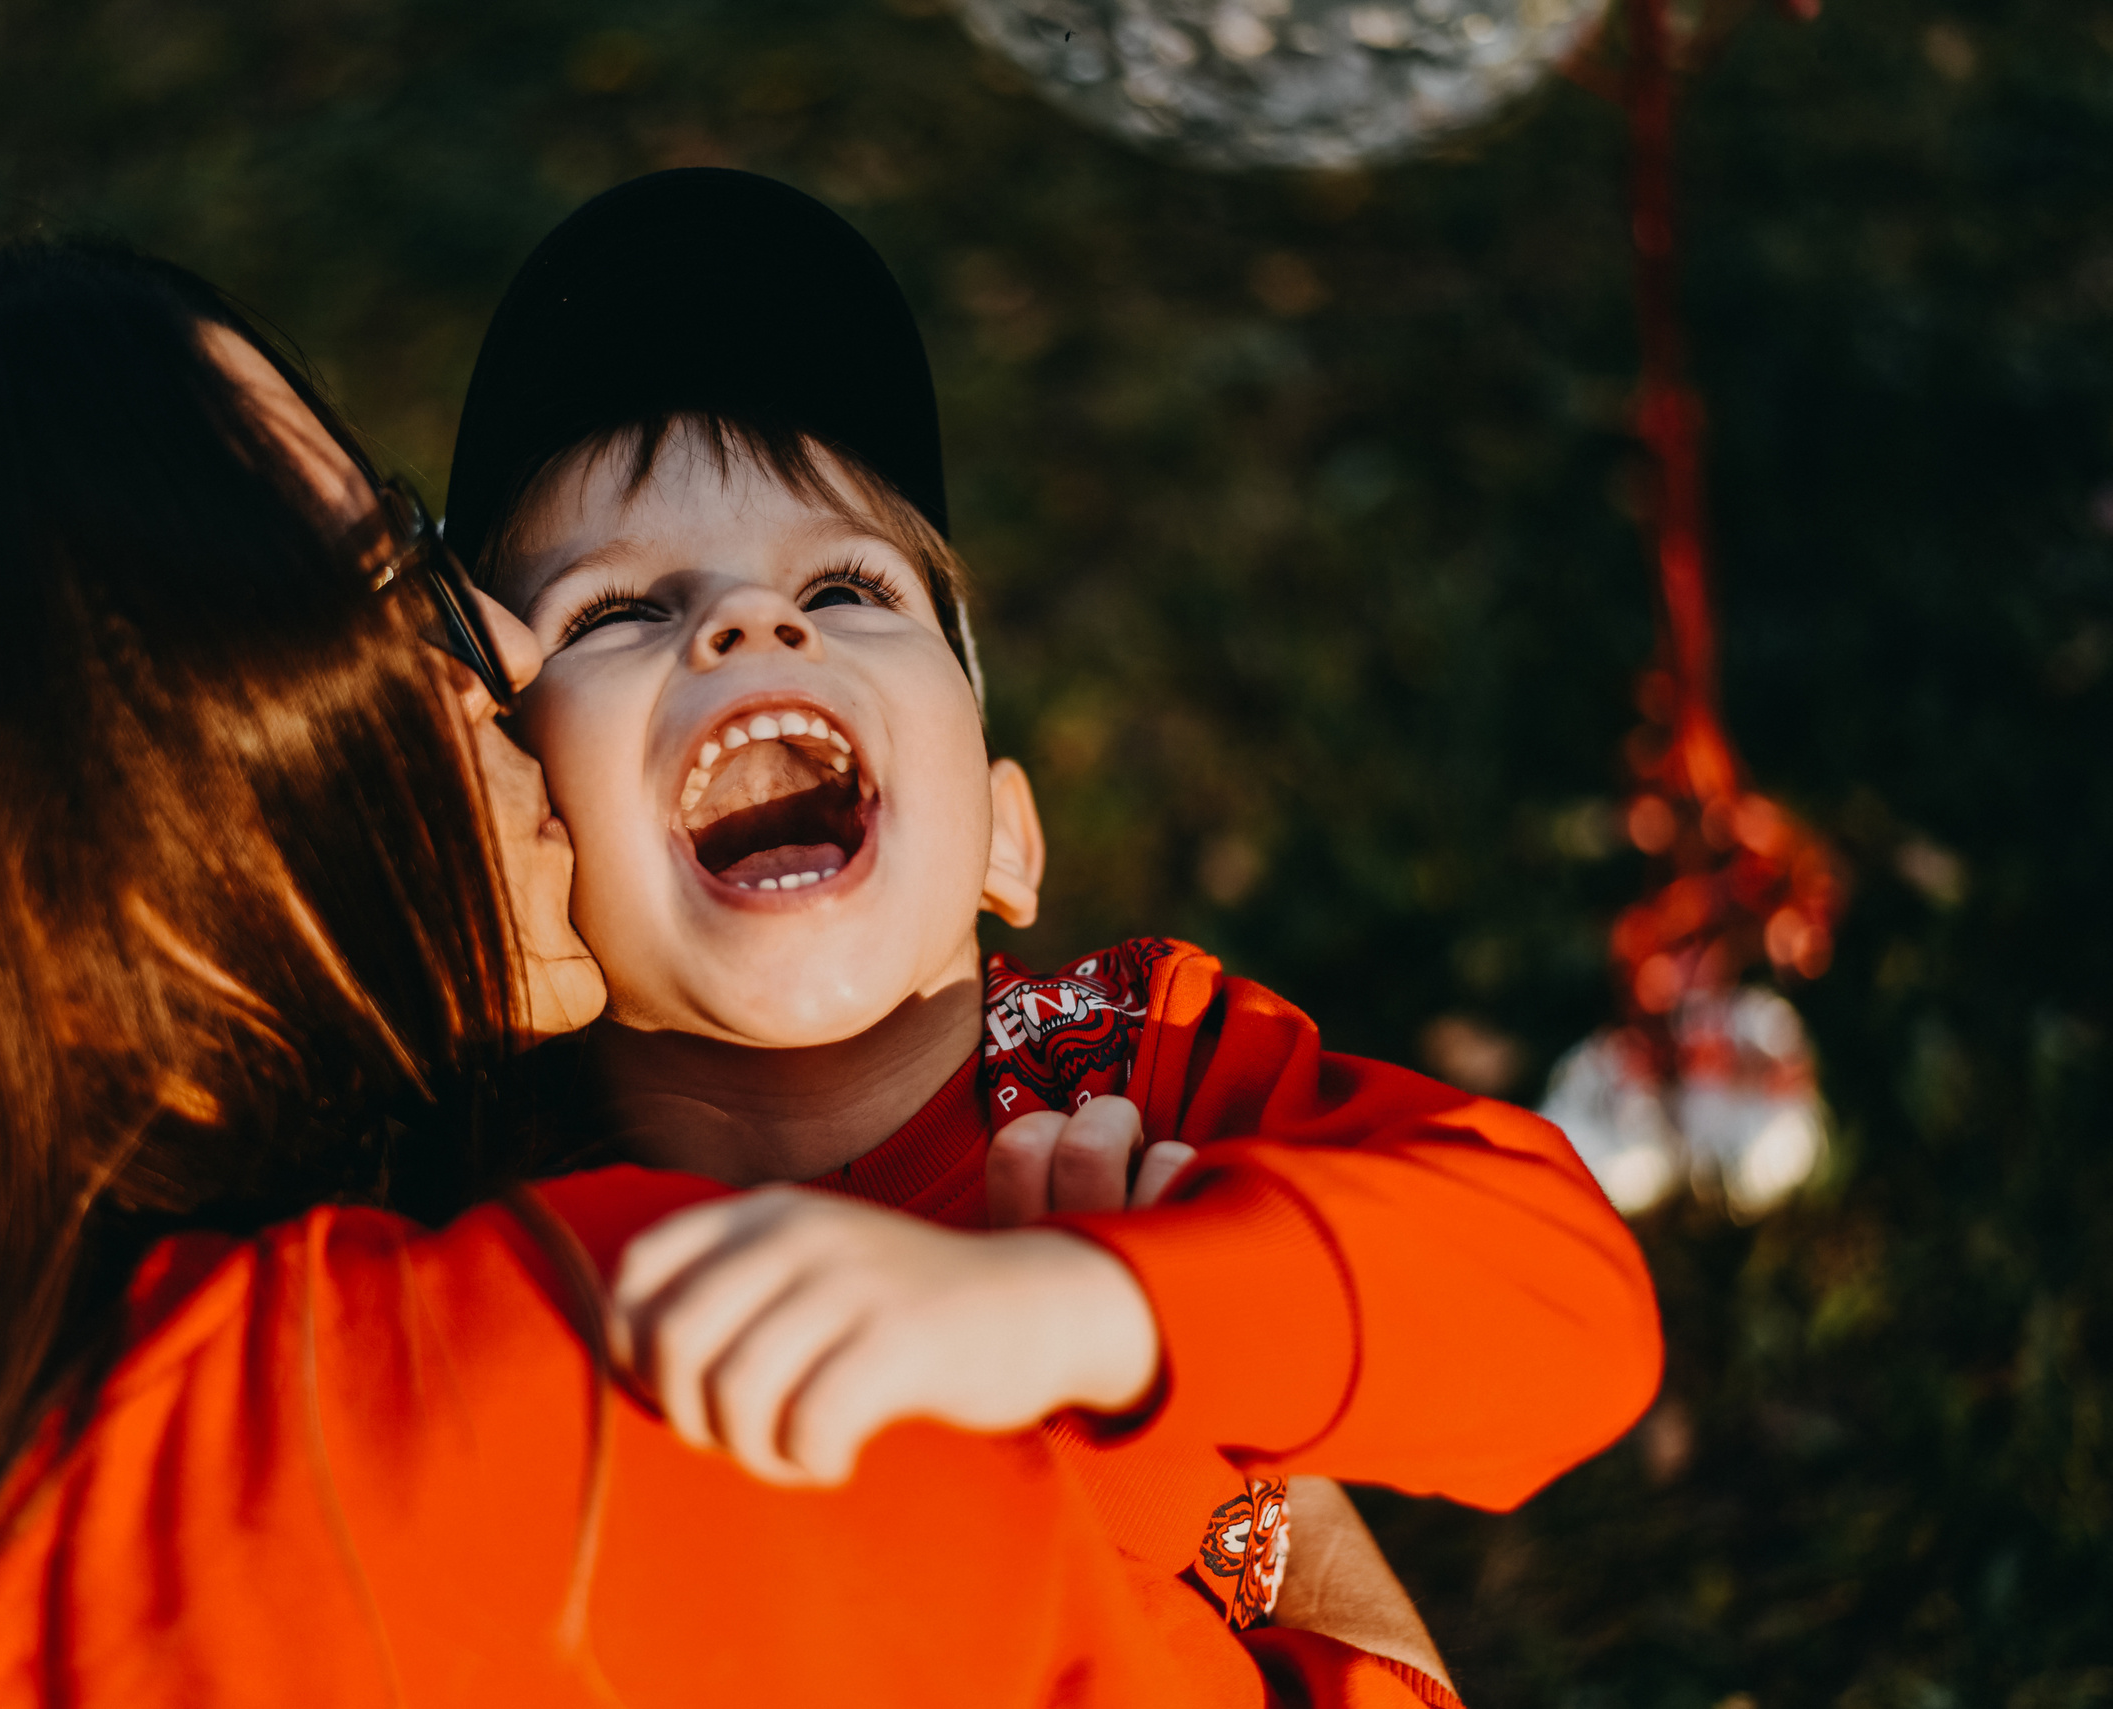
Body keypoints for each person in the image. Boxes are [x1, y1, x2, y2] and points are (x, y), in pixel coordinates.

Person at [0, 240, 1357, 1709]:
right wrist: (1265, 1507)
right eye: (390, 568)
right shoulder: (600, 1379)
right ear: (118, 827)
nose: (499, 635)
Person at [443, 169, 1667, 1689]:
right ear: (508, 830)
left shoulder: (1137, 1071)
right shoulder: (461, 1212)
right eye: (614, 613)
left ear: (1007, 833)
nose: (752, 626)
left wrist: (1086, 1311)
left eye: (844, 583)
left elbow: (1570, 1310)